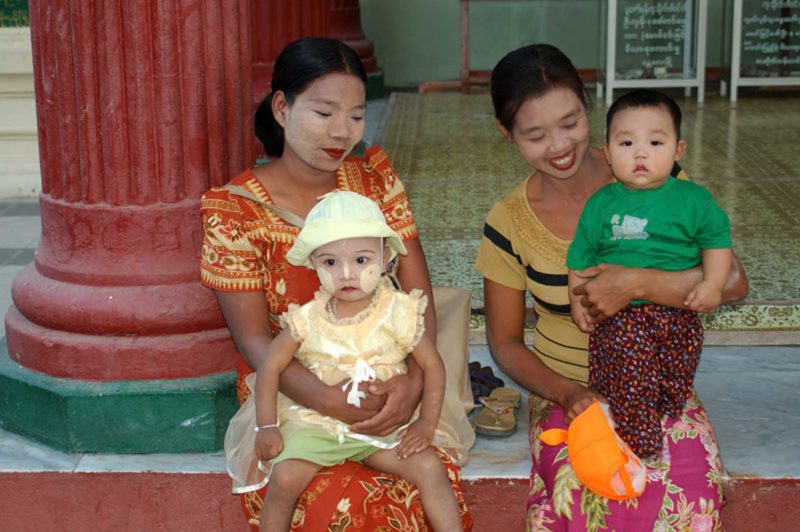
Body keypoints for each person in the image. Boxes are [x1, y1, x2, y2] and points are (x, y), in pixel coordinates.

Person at [200, 37, 471, 530]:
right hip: (290, 392)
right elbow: (254, 339)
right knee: (335, 503)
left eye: (355, 115)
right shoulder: (234, 211)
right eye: (324, 113)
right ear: (282, 108)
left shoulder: (373, 181)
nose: (341, 131)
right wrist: (325, 399)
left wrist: (411, 384)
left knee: (414, 488)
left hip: (389, 376)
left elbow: (418, 296)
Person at [475, 44, 748, 530]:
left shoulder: (650, 173)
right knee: (584, 508)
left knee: (690, 507)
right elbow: (506, 341)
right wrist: (566, 394)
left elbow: (731, 281)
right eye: (535, 135)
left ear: (588, 105)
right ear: (506, 133)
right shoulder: (507, 220)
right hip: (569, 389)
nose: (559, 146)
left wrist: (637, 282)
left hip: (663, 384)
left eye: (571, 122)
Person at [225, 190, 464, 531]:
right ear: (313, 265)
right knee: (286, 477)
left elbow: (432, 364)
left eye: (362, 260)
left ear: (386, 259)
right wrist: (267, 426)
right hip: (319, 424)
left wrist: (425, 423)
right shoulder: (307, 318)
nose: (347, 274)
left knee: (428, 468)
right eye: (331, 263)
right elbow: (271, 366)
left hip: (384, 426)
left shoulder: (398, 310)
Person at [566, 89, 733, 458]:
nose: (640, 153)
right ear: (608, 153)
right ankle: (638, 441)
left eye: (655, 142)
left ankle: (661, 408)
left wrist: (713, 283)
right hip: (622, 316)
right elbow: (580, 258)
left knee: (675, 381)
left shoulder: (695, 200)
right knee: (628, 370)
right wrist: (577, 300)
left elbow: (717, 244)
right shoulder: (601, 204)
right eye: (626, 143)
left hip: (677, 311)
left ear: (678, 150)